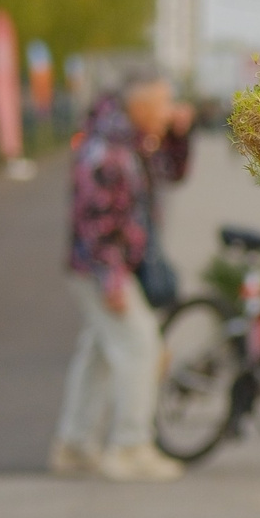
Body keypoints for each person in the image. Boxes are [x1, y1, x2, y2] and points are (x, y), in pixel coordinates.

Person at [51, 67, 194, 481]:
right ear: (143, 105)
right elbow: (97, 221)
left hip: (98, 268)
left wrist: (179, 136)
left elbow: (172, 172)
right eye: (164, 103)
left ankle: (75, 443)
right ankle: (130, 447)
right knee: (140, 345)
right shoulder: (110, 150)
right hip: (101, 269)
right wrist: (111, 279)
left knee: (98, 351)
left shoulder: (129, 139)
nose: (169, 112)